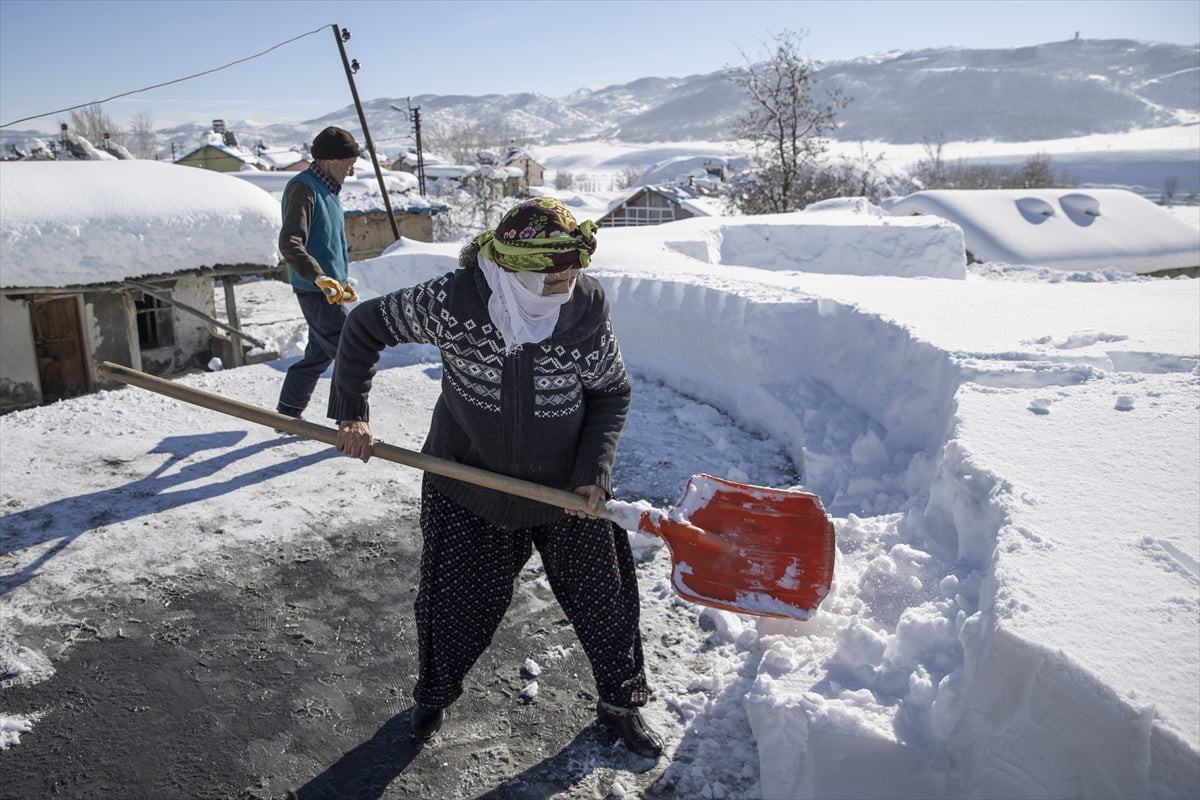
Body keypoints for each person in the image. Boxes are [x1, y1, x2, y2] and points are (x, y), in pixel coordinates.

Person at [328, 197, 664, 760]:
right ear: (511, 269)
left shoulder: (584, 306)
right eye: (550, 277)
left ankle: (621, 703)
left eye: (571, 272)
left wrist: (593, 476)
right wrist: (353, 415)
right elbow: (364, 327)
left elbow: (611, 390)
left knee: (606, 603)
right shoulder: (453, 300)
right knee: (453, 606)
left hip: (566, 490)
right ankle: (434, 697)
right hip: (468, 481)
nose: (564, 285)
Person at [275, 126, 362, 420]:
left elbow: (327, 243)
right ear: (331, 161)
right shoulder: (305, 188)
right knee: (350, 354)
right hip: (314, 290)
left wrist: (340, 280)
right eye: (348, 166)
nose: (350, 173)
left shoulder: (327, 190)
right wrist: (317, 276)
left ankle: (287, 411)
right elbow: (290, 242)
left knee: (318, 355)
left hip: (327, 289)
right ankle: (349, 420)